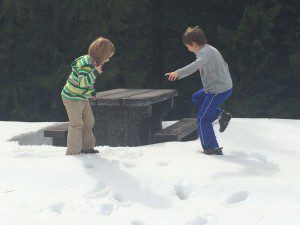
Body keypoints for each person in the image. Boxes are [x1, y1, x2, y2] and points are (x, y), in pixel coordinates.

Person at [166, 26, 233, 155]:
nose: (188, 49)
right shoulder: (210, 49)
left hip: (217, 90)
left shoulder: (204, 53)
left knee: (203, 119)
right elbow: (225, 65)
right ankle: (221, 115)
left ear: (194, 44)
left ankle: (212, 148)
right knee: (197, 97)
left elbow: (195, 66)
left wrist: (178, 73)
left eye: (188, 46)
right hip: (219, 87)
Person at [61, 37, 115, 155]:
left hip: (81, 96)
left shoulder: (93, 64)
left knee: (89, 121)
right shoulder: (85, 65)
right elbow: (82, 82)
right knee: (76, 124)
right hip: (72, 98)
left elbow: (88, 83)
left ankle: (87, 148)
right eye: (108, 57)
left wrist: (92, 92)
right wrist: (95, 72)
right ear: (101, 54)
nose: (108, 60)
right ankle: (73, 152)